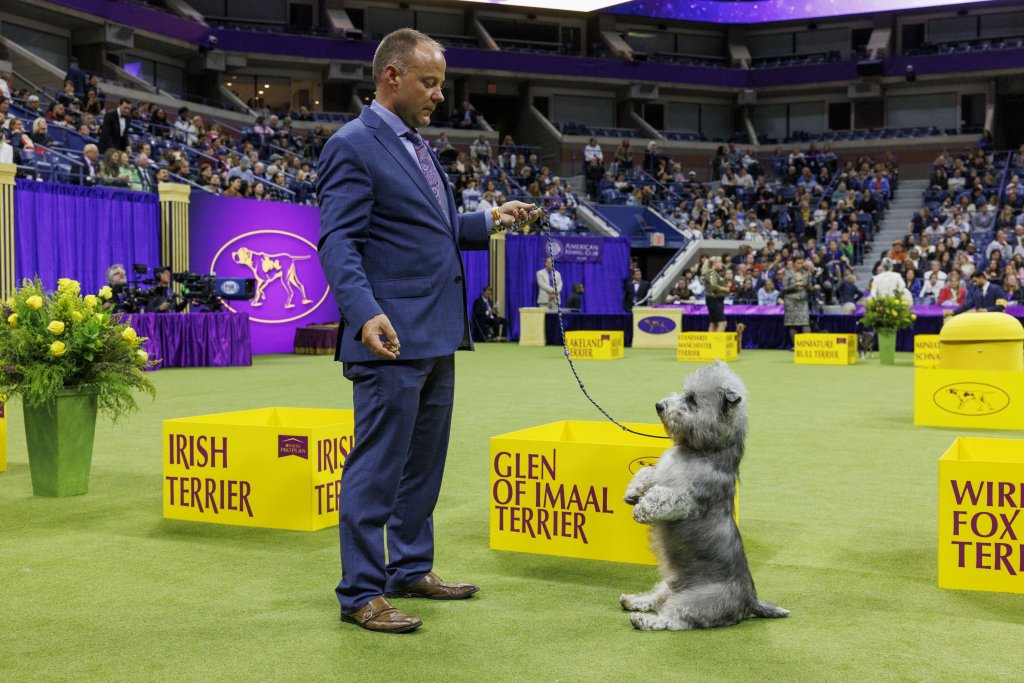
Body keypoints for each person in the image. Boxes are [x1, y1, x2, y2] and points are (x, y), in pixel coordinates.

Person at [316, 28, 540, 635]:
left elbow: (427, 230)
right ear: (392, 76)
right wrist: (364, 314)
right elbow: (338, 241)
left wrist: (489, 219)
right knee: (377, 467)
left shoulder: (416, 146)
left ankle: (410, 568)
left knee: (423, 465)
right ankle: (362, 592)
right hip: (388, 337)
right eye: (430, 82)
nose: (440, 95)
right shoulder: (353, 145)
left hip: (437, 333)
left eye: (439, 82)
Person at [782, 255, 816, 344]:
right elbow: (784, 288)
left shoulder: (807, 274)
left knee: (805, 323)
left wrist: (812, 288)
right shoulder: (787, 273)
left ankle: (807, 346)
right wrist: (795, 285)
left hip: (803, 301)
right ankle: (796, 346)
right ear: (794, 264)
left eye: (802, 263)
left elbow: (809, 287)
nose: (800, 265)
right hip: (791, 301)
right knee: (793, 324)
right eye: (798, 263)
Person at [703, 256, 728, 332]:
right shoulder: (711, 273)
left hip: (716, 300)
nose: (722, 264)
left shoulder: (714, 273)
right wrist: (725, 289)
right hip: (714, 299)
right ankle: (718, 342)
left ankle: (711, 342)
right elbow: (713, 286)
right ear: (715, 263)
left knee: (714, 323)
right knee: (722, 323)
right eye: (720, 262)